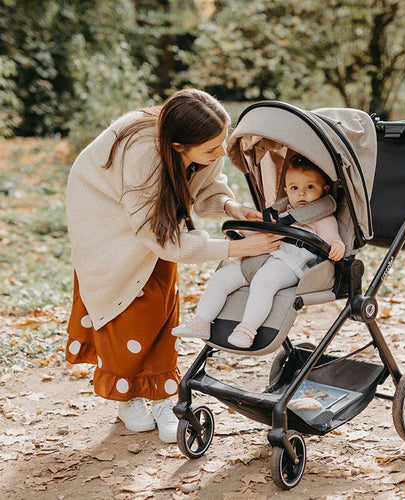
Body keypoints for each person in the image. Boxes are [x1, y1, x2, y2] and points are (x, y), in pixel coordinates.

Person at [65, 89, 282, 443]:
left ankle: (163, 393)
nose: (220, 153)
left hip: (149, 217)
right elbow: (165, 242)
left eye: (222, 143)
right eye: (212, 149)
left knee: (160, 298)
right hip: (105, 211)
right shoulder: (143, 157)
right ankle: (129, 393)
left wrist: (230, 207)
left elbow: (208, 188)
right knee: (125, 297)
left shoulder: (204, 143)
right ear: (179, 146)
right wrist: (238, 247)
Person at [172, 154, 345, 348]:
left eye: (310, 187)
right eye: (295, 188)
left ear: (325, 189)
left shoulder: (322, 217)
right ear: (287, 190)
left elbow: (331, 238)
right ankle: (201, 321)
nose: (302, 193)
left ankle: (247, 329)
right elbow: (262, 230)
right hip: (260, 256)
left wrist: (337, 245)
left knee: (264, 281)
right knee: (224, 275)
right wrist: (241, 233)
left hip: (289, 263)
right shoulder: (282, 213)